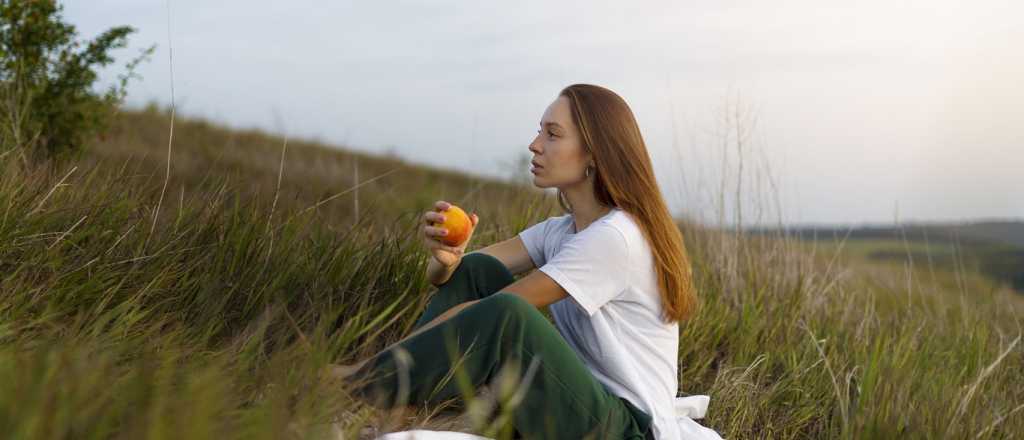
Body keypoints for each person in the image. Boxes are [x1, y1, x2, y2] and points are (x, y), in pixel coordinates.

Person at [328, 84, 724, 440]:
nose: (535, 145)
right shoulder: (563, 230)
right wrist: (446, 261)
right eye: (540, 131)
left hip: (622, 429)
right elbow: (460, 276)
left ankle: (361, 389)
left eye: (552, 135)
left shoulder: (615, 238)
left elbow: (495, 316)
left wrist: (367, 370)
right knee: (478, 271)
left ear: (594, 155)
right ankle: (399, 395)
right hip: (574, 400)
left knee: (508, 315)